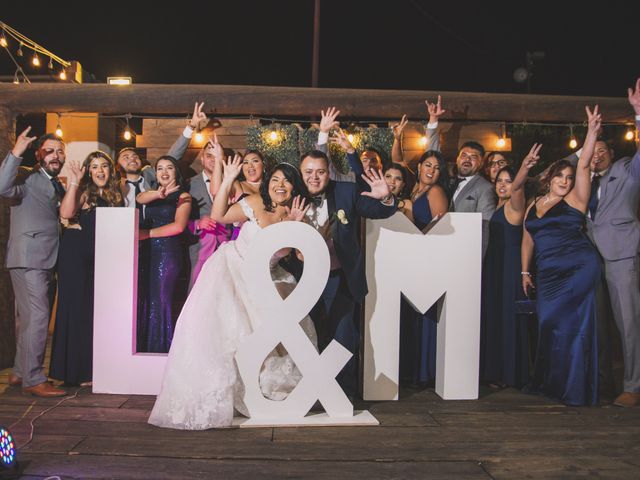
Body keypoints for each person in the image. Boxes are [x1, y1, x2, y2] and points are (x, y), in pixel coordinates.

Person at [148, 159, 315, 429]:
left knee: (270, 338)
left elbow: (305, 257)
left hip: (267, 282)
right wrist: (227, 180)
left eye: (286, 180)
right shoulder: (255, 203)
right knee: (223, 334)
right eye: (274, 179)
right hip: (231, 269)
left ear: (294, 187)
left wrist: (295, 229)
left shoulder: (297, 214)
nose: (280, 185)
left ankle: (261, 396)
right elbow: (219, 216)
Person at [299, 148, 397, 397]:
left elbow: (380, 211)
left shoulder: (345, 192)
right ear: (300, 174)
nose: (314, 177)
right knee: (307, 337)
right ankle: (309, 394)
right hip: (301, 280)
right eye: (308, 172)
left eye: (320, 172)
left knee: (342, 336)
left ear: (328, 172)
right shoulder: (291, 195)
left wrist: (386, 198)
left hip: (339, 278)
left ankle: (342, 396)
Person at [521, 106, 602, 406]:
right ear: (550, 177)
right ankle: (553, 382)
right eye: (561, 176)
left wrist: (591, 132)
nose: (566, 181)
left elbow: (583, 167)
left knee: (573, 326)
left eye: (569, 177)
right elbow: (527, 240)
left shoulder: (576, 200)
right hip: (548, 273)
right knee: (548, 323)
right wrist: (525, 272)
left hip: (578, 266)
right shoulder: (534, 203)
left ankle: (575, 389)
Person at [584, 80, 640, 407]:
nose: (598, 155)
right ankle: (602, 382)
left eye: (603, 151)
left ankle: (633, 385)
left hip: (620, 255)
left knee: (629, 323)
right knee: (597, 325)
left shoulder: (627, 173)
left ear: (613, 155)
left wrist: (638, 115)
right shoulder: (583, 178)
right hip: (589, 259)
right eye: (595, 151)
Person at [0, 128, 66, 397]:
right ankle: (35, 378)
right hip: (29, 257)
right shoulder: (27, 177)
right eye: (50, 150)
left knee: (28, 318)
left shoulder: (56, 181)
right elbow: (2, 186)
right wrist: (16, 151)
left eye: (60, 151)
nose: (56, 155)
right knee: (38, 317)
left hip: (45, 257)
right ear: (39, 154)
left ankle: (19, 371)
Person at [49, 151, 124, 386]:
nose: (100, 170)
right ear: (88, 171)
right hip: (75, 255)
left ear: (110, 170)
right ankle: (69, 372)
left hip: (98, 257)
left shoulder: (116, 196)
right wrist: (74, 182)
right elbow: (66, 213)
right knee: (74, 309)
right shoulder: (83, 192)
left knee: (92, 312)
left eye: (104, 166)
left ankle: (89, 371)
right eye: (94, 167)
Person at [481, 144, 541, 389]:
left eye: (508, 180)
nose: (503, 185)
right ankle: (496, 372)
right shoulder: (497, 206)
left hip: (510, 266)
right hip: (494, 266)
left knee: (507, 317)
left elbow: (517, 188)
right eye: (499, 181)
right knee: (495, 316)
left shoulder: (515, 206)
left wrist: (525, 167)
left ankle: (510, 375)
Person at [136, 156, 192, 353]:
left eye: (169, 168)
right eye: (160, 168)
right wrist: (158, 195)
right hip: (148, 254)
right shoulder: (152, 194)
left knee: (161, 301)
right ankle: (146, 349)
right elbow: (139, 198)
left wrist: (147, 234)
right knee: (148, 301)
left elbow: (178, 226)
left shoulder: (184, 196)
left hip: (167, 253)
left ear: (176, 171)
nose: (164, 172)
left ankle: (162, 351)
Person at [185, 134, 230, 291]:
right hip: (200, 249)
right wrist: (197, 223)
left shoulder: (231, 182)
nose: (212, 159)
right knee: (198, 294)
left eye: (216, 155)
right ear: (202, 159)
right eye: (208, 156)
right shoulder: (189, 185)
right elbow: (180, 220)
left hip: (226, 247)